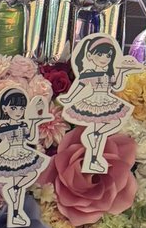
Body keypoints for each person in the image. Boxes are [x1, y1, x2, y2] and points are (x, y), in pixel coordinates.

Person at [58, 34, 141, 174]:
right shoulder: (89, 72)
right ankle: (93, 159)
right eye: (100, 54)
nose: (104, 58)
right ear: (90, 56)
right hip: (94, 101)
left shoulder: (109, 73)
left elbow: (117, 86)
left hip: (107, 101)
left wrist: (122, 71)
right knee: (99, 135)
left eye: (108, 56)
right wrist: (69, 98)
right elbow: (80, 86)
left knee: (108, 127)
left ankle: (93, 145)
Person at [0, 88, 49, 227]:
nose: (18, 111)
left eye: (21, 108)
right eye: (14, 108)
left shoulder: (23, 124)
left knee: (27, 178)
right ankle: (15, 214)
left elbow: (32, 139)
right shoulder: (3, 127)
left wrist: (34, 123)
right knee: (18, 188)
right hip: (10, 155)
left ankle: (14, 199)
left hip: (23, 153)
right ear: (5, 108)